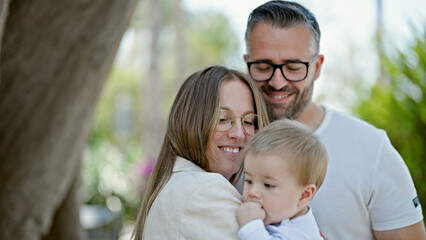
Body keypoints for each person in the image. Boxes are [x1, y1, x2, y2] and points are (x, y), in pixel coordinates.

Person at [243, 1, 425, 239]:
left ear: (317, 67)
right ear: (247, 63)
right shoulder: (228, 146)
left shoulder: (371, 148)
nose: (278, 82)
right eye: (264, 66)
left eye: (294, 67)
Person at [131, 65, 269, 240]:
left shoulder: (178, 183)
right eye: (223, 119)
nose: (239, 134)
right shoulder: (204, 191)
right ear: (191, 122)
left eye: (249, 122)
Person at [236, 119, 328, 240]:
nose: (253, 192)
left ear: (304, 195)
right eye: (248, 181)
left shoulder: (300, 234)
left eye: (268, 185)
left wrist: (250, 225)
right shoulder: (282, 217)